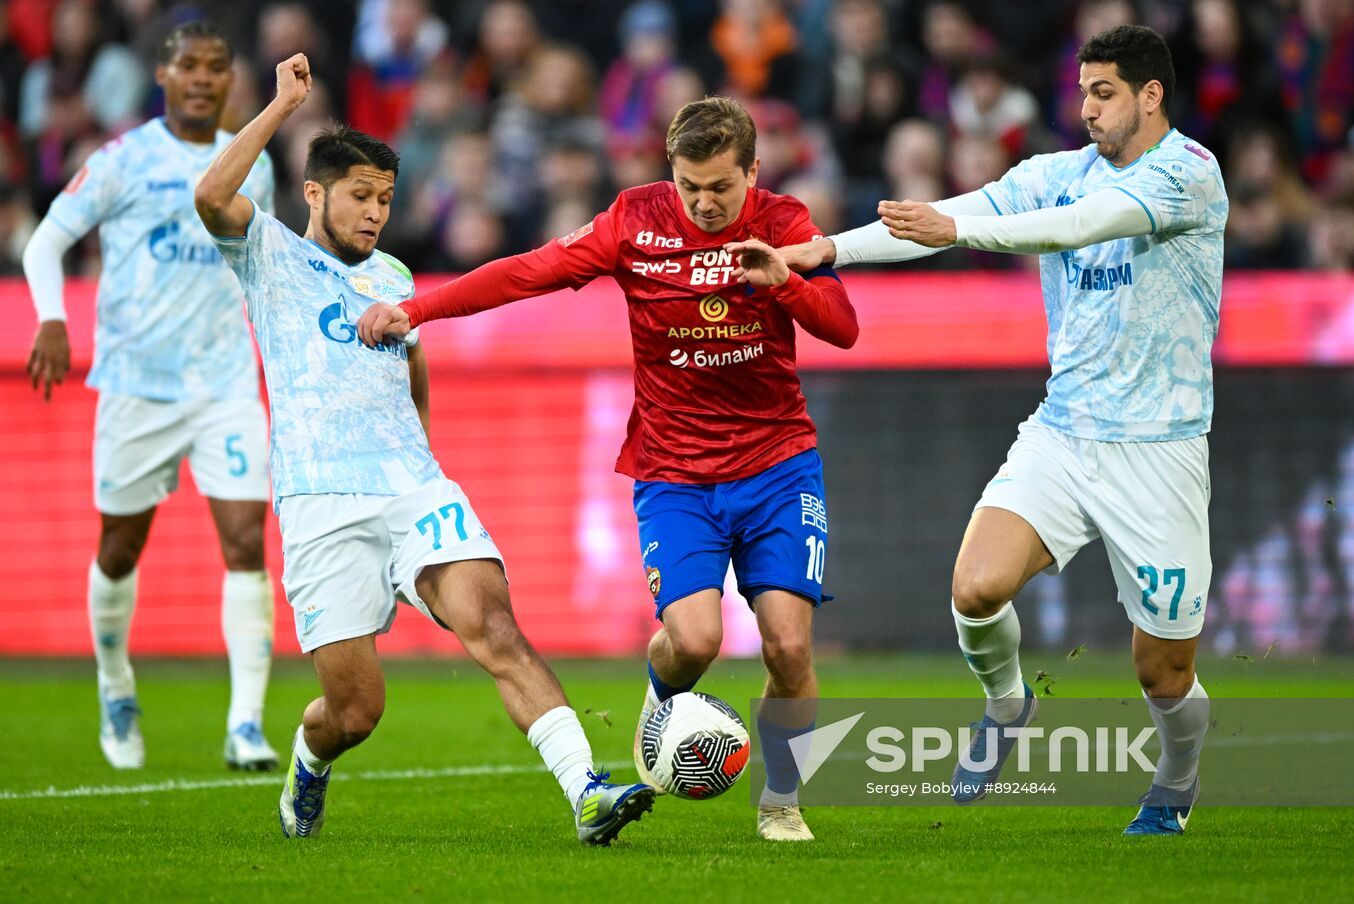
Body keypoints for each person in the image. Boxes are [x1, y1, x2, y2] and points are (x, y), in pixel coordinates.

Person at [358, 96, 858, 841]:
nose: (705, 202)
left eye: (722, 186)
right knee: (693, 642)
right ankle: (661, 704)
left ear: (754, 170)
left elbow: (844, 328)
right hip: (674, 471)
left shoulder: (784, 223)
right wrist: (419, 309)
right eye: (691, 186)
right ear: (671, 173)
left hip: (779, 465)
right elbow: (530, 272)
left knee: (788, 644)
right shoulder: (634, 220)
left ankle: (781, 801)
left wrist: (782, 279)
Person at [193, 52, 654, 843]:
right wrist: (278, 108)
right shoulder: (267, 253)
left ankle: (587, 791)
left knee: (496, 628)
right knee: (354, 710)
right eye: (360, 197)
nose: (376, 213)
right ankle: (310, 763)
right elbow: (208, 195)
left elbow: (414, 369)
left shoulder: (396, 274)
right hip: (320, 501)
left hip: (414, 489)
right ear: (313, 193)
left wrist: (426, 466)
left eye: (386, 199)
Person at [779, 25, 1227, 835]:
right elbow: (938, 216)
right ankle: (1006, 704)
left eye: (1105, 93)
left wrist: (961, 232)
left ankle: (1177, 777)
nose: (1086, 108)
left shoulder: (1189, 175)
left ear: (1151, 95)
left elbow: (1082, 228)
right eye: (1084, 91)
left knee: (1163, 672)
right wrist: (822, 251)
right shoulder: (1052, 174)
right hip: (1063, 432)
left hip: (1160, 448)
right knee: (976, 588)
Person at [22, 22, 279, 773]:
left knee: (244, 542)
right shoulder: (123, 159)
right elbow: (45, 242)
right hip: (135, 386)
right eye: (189, 66)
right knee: (120, 548)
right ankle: (114, 683)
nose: (203, 78)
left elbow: (257, 266)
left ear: (232, 80)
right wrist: (51, 319)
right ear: (163, 75)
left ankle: (246, 725)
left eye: (217, 67)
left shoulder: (249, 167)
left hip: (226, 384)